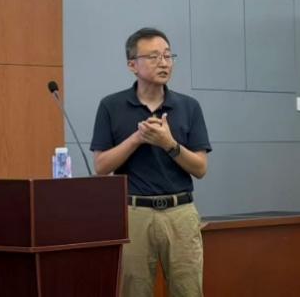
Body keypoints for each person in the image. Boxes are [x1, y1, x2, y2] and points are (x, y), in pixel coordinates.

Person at [90, 27, 211, 297]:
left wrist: (169, 144)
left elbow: (201, 168)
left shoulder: (189, 106)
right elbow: (101, 167)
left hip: (180, 213)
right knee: (134, 291)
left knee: (188, 290)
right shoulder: (111, 105)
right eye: (154, 56)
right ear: (132, 65)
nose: (164, 63)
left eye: (168, 56)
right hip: (134, 213)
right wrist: (137, 138)